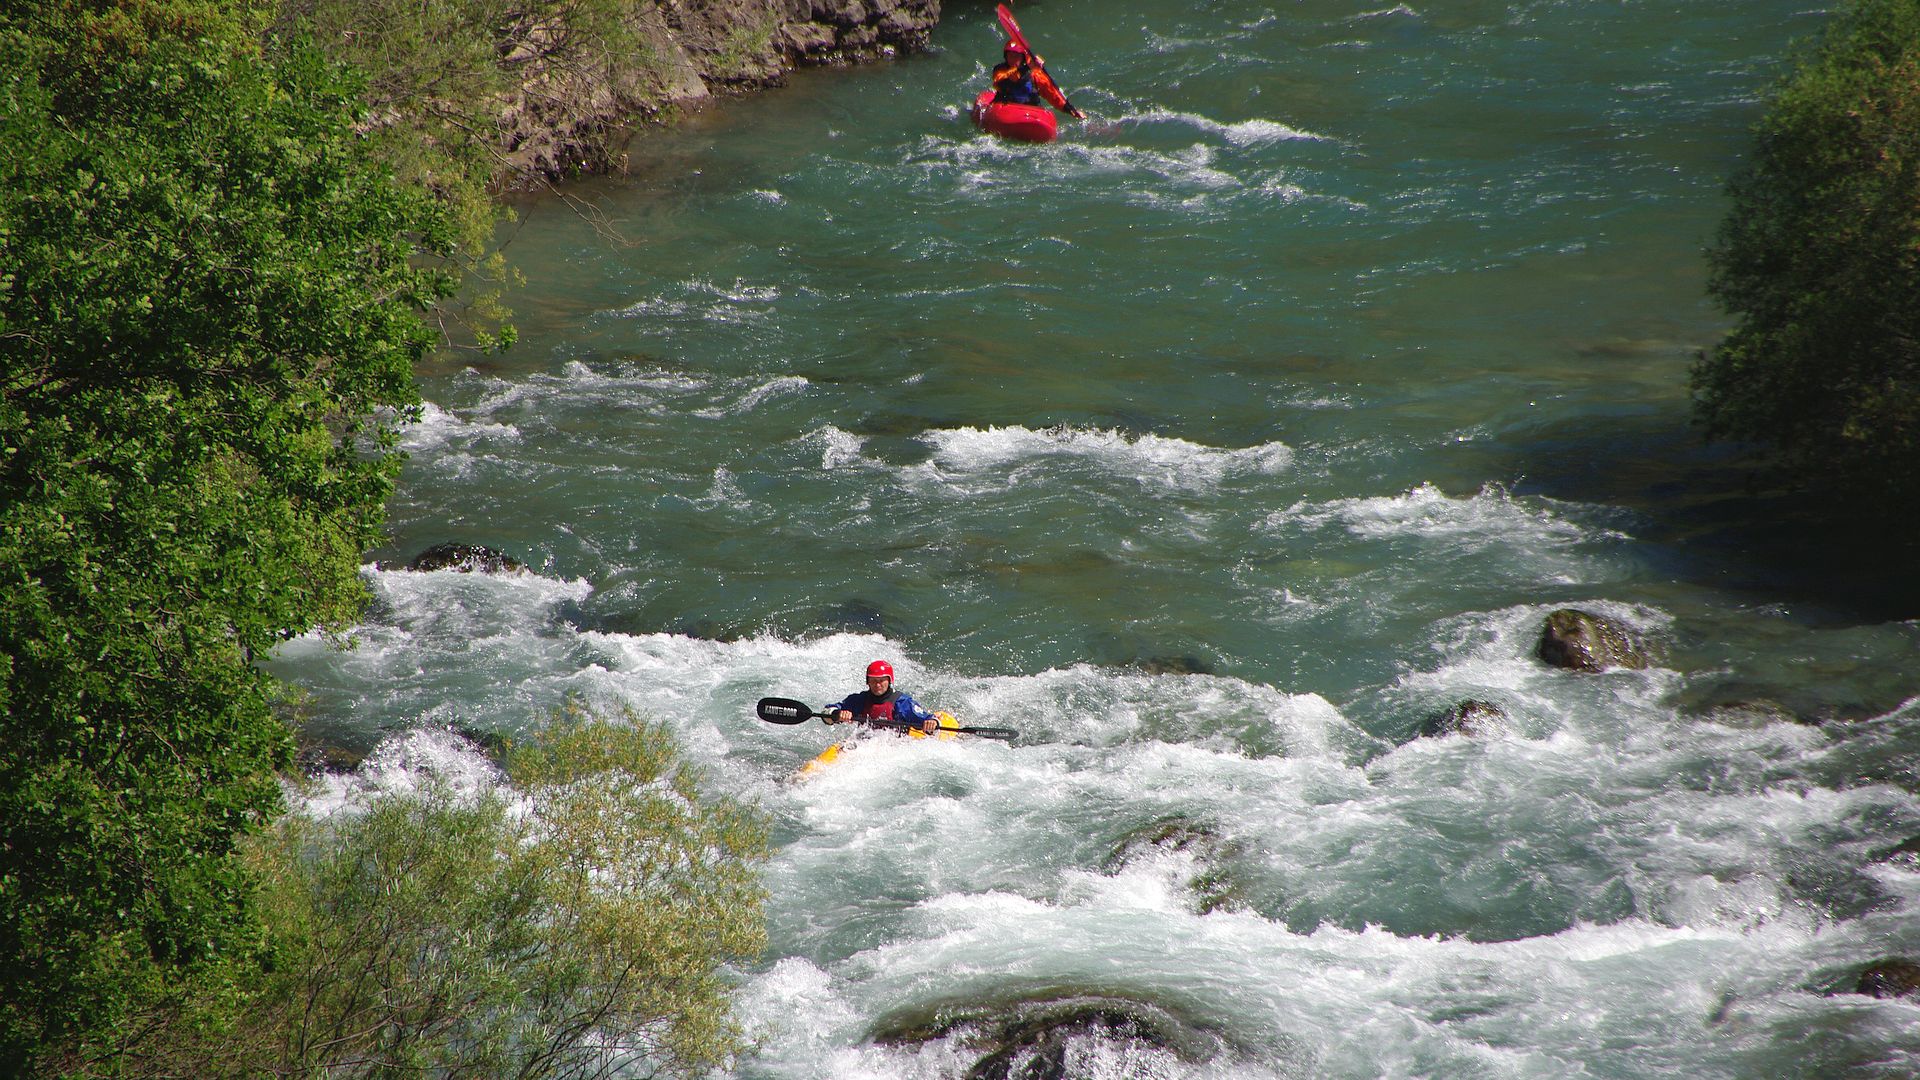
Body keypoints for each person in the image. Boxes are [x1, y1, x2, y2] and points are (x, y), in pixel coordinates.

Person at [826, 660, 942, 734]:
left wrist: (932, 722)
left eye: (881, 681)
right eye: (873, 681)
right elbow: (827, 713)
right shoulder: (859, 700)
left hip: (892, 748)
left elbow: (927, 720)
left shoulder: (902, 702)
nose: (877, 685)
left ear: (889, 681)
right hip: (864, 745)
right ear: (868, 682)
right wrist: (836, 714)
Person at [991, 42, 1086, 120]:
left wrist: (1071, 110)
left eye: (1016, 56)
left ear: (1023, 58)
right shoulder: (1000, 70)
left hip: (1030, 112)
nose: (1012, 59)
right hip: (1006, 110)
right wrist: (1028, 67)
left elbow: (1053, 94)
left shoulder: (1036, 75)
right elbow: (1006, 80)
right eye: (1010, 56)